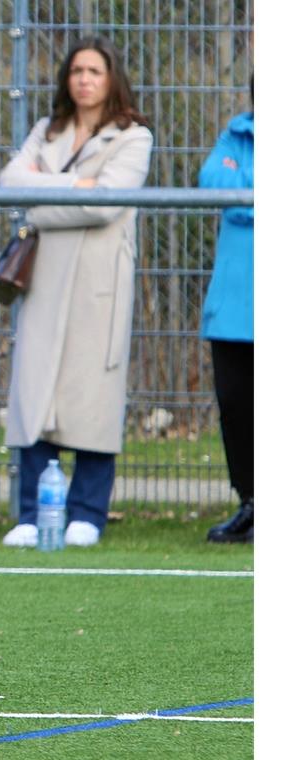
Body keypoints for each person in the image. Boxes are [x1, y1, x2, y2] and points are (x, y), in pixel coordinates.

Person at [0, 36, 153, 548]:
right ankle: (29, 514)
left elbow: (106, 206)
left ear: (112, 79)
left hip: (98, 282)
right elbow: (9, 180)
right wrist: (78, 187)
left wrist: (42, 200)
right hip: (44, 279)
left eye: (95, 71)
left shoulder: (133, 136)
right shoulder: (48, 129)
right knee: (34, 390)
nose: (84, 79)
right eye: (77, 70)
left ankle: (87, 511)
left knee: (93, 394)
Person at [198, 84, 253, 544]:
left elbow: (240, 195)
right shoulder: (237, 135)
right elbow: (214, 181)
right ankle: (252, 503)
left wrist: (248, 194)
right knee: (238, 409)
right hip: (236, 307)